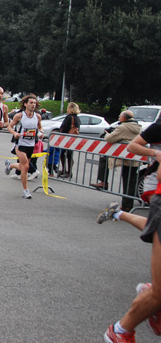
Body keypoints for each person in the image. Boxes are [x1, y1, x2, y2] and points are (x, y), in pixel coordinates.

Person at [101, 121, 161, 342]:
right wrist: (156, 153)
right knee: (153, 228)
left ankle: (118, 214)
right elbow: (133, 146)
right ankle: (121, 330)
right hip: (156, 188)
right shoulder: (157, 127)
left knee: (152, 229)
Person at [91, 111, 142, 210]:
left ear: (123, 118)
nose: (119, 118)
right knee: (130, 180)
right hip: (134, 156)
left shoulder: (122, 127)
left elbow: (110, 139)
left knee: (104, 159)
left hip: (123, 155)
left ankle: (103, 182)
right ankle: (128, 205)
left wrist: (107, 134)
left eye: (120, 116)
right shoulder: (137, 126)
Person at [5, 94, 43, 199]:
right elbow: (10, 126)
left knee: (23, 167)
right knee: (26, 167)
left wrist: (41, 132)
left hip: (31, 145)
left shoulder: (37, 116)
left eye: (34, 103)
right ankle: (26, 191)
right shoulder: (20, 116)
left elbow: (40, 127)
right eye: (31, 103)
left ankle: (10, 165)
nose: (33, 105)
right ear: (25, 104)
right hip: (20, 144)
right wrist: (15, 133)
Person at [57, 102, 81, 178]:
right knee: (69, 154)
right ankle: (68, 171)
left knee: (63, 154)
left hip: (67, 138)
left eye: (68, 108)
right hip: (73, 138)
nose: (67, 109)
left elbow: (65, 128)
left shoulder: (69, 117)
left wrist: (61, 135)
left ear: (71, 109)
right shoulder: (77, 118)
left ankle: (66, 171)